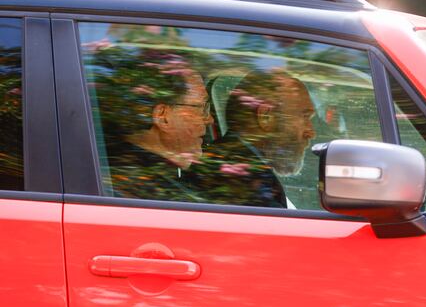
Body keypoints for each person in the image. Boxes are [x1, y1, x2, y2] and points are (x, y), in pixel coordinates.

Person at [197, 70, 316, 208]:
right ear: (265, 117)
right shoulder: (239, 178)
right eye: (305, 117)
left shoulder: (230, 162)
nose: (311, 132)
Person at [105, 71, 214, 202]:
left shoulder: (163, 172)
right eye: (200, 108)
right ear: (163, 117)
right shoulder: (133, 182)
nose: (210, 120)